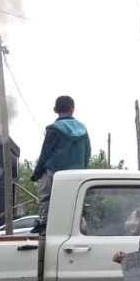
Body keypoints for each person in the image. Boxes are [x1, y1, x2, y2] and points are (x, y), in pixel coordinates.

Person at [31, 95, 91, 234]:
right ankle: (81, 228)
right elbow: (88, 151)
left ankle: (44, 224)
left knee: (46, 197)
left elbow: (46, 152)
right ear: (72, 109)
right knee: (75, 202)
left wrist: (37, 172)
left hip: (54, 171)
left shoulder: (54, 129)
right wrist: (82, 168)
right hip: (76, 173)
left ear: (55, 109)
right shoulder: (83, 129)